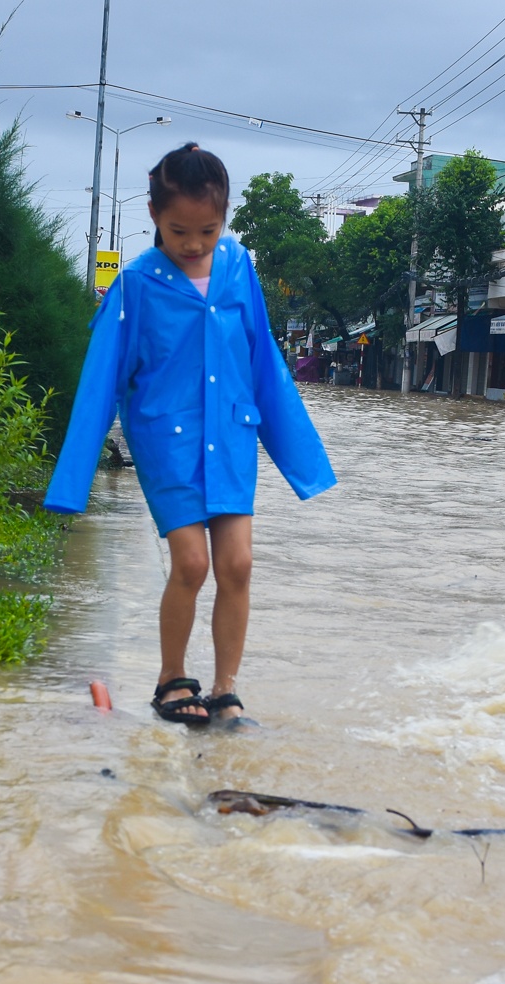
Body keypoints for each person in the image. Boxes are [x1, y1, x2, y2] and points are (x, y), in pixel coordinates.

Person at [43, 143, 336, 724]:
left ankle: (226, 688)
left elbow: (263, 362)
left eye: (208, 229)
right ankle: (171, 679)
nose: (194, 243)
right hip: (166, 442)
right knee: (192, 564)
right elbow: (102, 382)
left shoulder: (238, 266)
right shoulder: (133, 286)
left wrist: (299, 454)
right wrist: (73, 479)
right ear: (154, 215)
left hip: (230, 436)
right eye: (180, 230)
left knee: (238, 564)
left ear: (225, 218)